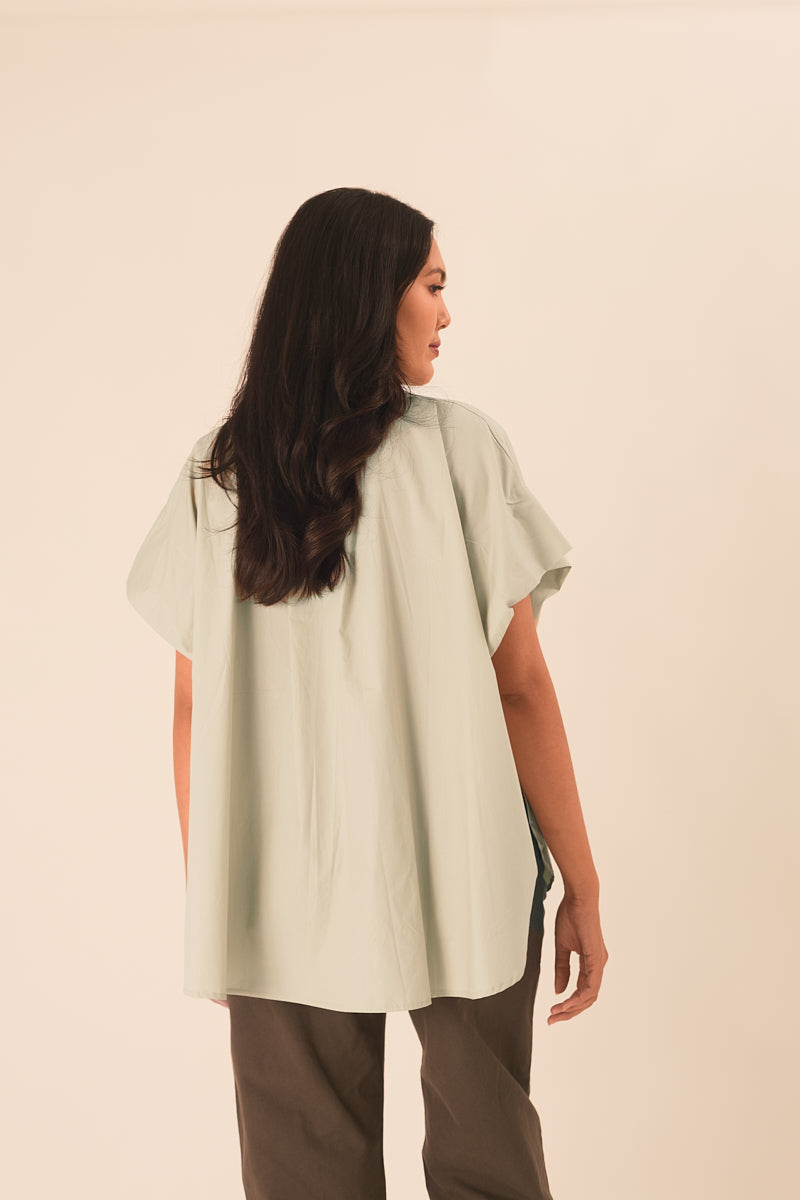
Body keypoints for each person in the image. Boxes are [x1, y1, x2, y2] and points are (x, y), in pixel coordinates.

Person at [126, 186, 608, 1200]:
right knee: (491, 1169)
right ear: (367, 300)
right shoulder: (462, 451)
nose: (446, 312)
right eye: (431, 285)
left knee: (301, 1177)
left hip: (278, 879)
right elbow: (519, 687)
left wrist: (217, 896)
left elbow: (192, 706)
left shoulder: (221, 474)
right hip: (466, 863)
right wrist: (582, 883)